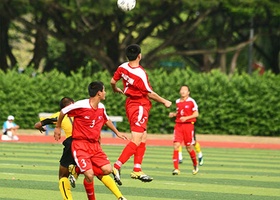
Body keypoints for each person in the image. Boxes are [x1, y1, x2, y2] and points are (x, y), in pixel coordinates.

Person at [35, 97, 127, 200]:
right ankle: (119, 196)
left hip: (72, 144)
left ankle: (74, 174)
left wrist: (41, 128)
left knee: (63, 176)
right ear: (73, 103)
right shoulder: (83, 110)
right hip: (89, 143)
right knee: (99, 173)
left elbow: (37, 124)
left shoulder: (59, 115)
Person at [110, 44, 172, 185]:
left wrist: (115, 89)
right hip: (139, 106)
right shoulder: (140, 73)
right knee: (137, 139)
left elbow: (112, 81)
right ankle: (117, 166)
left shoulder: (122, 67)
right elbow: (149, 93)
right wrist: (164, 101)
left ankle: (137, 169)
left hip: (132, 104)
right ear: (140, 56)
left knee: (143, 137)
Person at [169, 85, 199, 175]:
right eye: (181, 90)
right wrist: (174, 114)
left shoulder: (191, 101)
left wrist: (187, 118)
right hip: (178, 126)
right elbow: (179, 113)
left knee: (189, 147)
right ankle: (176, 169)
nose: (183, 91)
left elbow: (196, 114)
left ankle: (195, 164)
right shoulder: (177, 101)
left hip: (188, 126)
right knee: (176, 145)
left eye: (185, 90)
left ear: (188, 92)